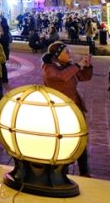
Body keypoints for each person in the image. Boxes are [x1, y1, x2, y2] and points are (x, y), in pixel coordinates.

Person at [43, 42, 94, 175]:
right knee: (64, 141)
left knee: (81, 140)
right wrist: (77, 65)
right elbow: (61, 76)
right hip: (61, 111)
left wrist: (87, 66)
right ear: (57, 55)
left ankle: (84, 172)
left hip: (75, 107)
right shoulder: (49, 68)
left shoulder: (67, 66)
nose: (69, 54)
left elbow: (84, 77)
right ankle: (61, 173)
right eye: (66, 52)